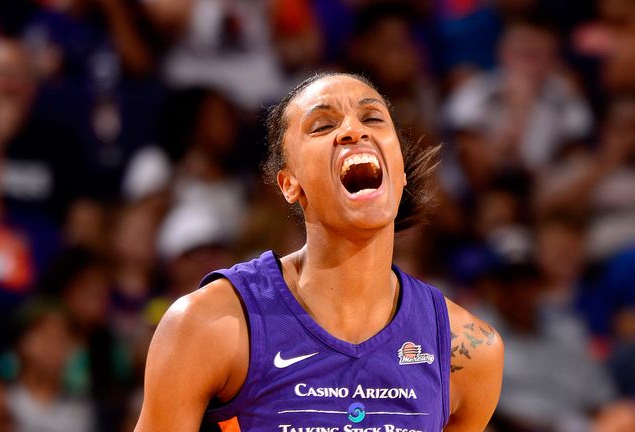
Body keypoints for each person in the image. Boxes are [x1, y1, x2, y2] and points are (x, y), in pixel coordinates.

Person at [134, 73, 503, 431]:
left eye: (372, 118)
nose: (353, 131)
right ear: (289, 183)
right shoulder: (209, 323)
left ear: (401, 170)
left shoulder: (467, 351)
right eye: (323, 126)